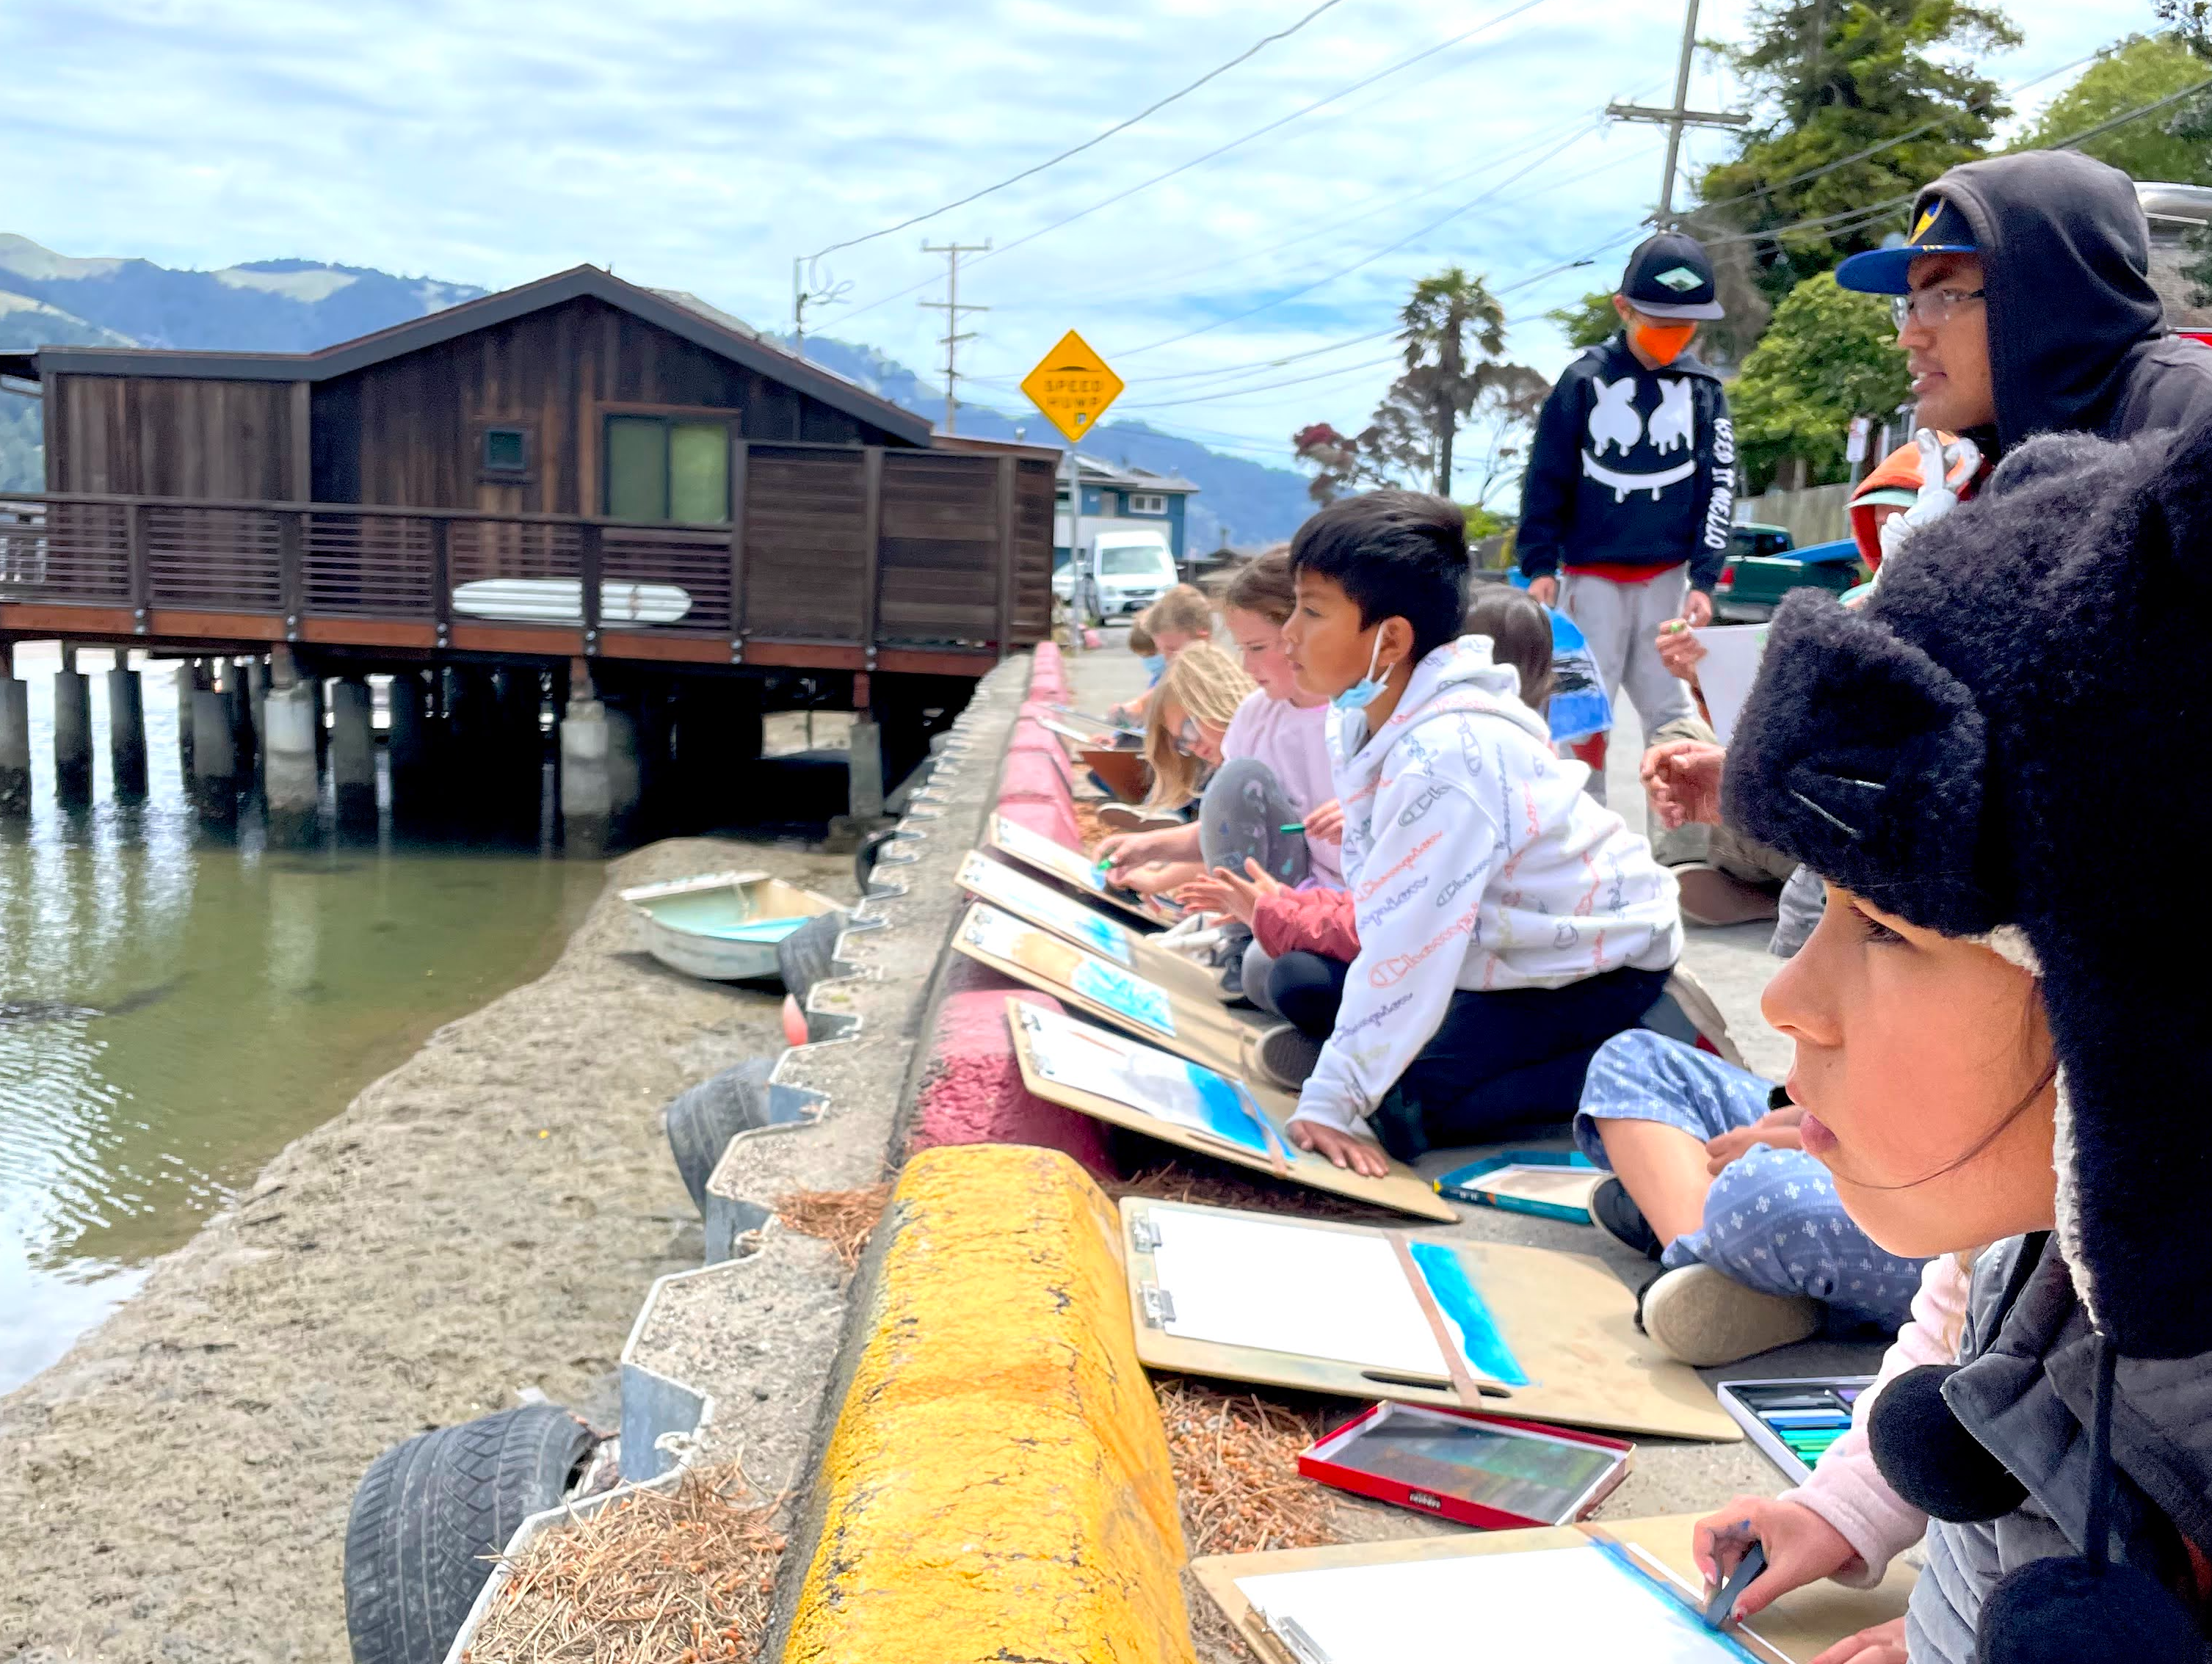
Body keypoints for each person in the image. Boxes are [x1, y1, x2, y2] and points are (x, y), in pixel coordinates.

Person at [1689, 421, 2212, 1664]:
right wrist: (1845, 1509)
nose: (1783, 1001)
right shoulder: (2042, 1219)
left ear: (2132, 1017)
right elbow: (1956, 1327)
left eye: (1884, 928)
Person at [1270, 491, 1681, 1177]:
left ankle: (1648, 1052)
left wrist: (1333, 1098)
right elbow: (1397, 921)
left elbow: (1414, 941)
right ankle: (1401, 1055)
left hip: (1597, 963)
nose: (1288, 633)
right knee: (1305, 983)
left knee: (1400, 1110)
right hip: (1499, 948)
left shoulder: (1447, 759)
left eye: (1310, 611)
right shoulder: (1366, 715)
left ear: (1391, 640)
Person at [1177, 584, 1558, 1091]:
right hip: (1413, 947)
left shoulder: (1451, 761)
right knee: (1277, 969)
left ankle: (1379, 1065)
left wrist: (1278, 912)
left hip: (1473, 974)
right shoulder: (1397, 737)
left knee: (1286, 975)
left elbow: (1401, 925)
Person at [1517, 230, 1735, 799]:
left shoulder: (1703, 388)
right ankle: (1580, 834)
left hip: (1667, 581)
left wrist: (1706, 577)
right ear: (1623, 308)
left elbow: (1719, 483)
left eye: (1682, 327)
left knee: (1670, 709)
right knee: (1581, 707)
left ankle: (1683, 840)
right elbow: (1546, 475)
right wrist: (1539, 562)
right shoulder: (1582, 382)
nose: (1670, 338)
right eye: (1657, 323)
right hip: (1589, 581)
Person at [1573, 1030, 1930, 1365]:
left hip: (1932, 1185)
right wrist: (1808, 1115)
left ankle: (1716, 1250)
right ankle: (1725, 1260)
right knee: (1632, 1057)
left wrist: (1807, 1141)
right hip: (1856, 1120)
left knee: (1760, 1194)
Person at [1099, 551, 1346, 895]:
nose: (1245, 667)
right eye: (1242, 649)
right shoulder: (1254, 716)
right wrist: (1149, 846)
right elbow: (1231, 831)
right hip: (1292, 901)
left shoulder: (1360, 716)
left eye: (1257, 648)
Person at [1109, 642, 1255, 897]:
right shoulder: (1228, 764)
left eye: (1189, 728)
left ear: (1215, 698)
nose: (1193, 745)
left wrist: (1159, 875)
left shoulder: (1255, 762)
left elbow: (1232, 843)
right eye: (1182, 742)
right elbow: (1219, 833)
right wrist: (1148, 849)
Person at [1103, 584, 1216, 733]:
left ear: (1202, 637)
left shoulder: (1210, 681)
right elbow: (1148, 702)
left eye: (1172, 649)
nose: (1168, 659)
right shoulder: (1177, 677)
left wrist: (1134, 710)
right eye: (1162, 651)